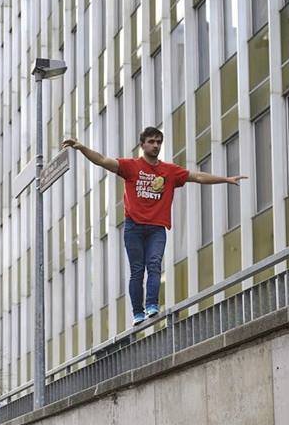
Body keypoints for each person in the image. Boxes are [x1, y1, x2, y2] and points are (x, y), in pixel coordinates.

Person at [63, 127, 248, 325]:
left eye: (158, 142)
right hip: (134, 227)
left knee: (154, 265)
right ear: (142, 145)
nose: (155, 145)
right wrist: (81, 148)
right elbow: (102, 160)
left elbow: (198, 177)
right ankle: (137, 313)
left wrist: (225, 179)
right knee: (137, 270)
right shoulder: (131, 166)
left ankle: (152, 305)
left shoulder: (170, 171)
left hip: (156, 228)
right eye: (151, 142)